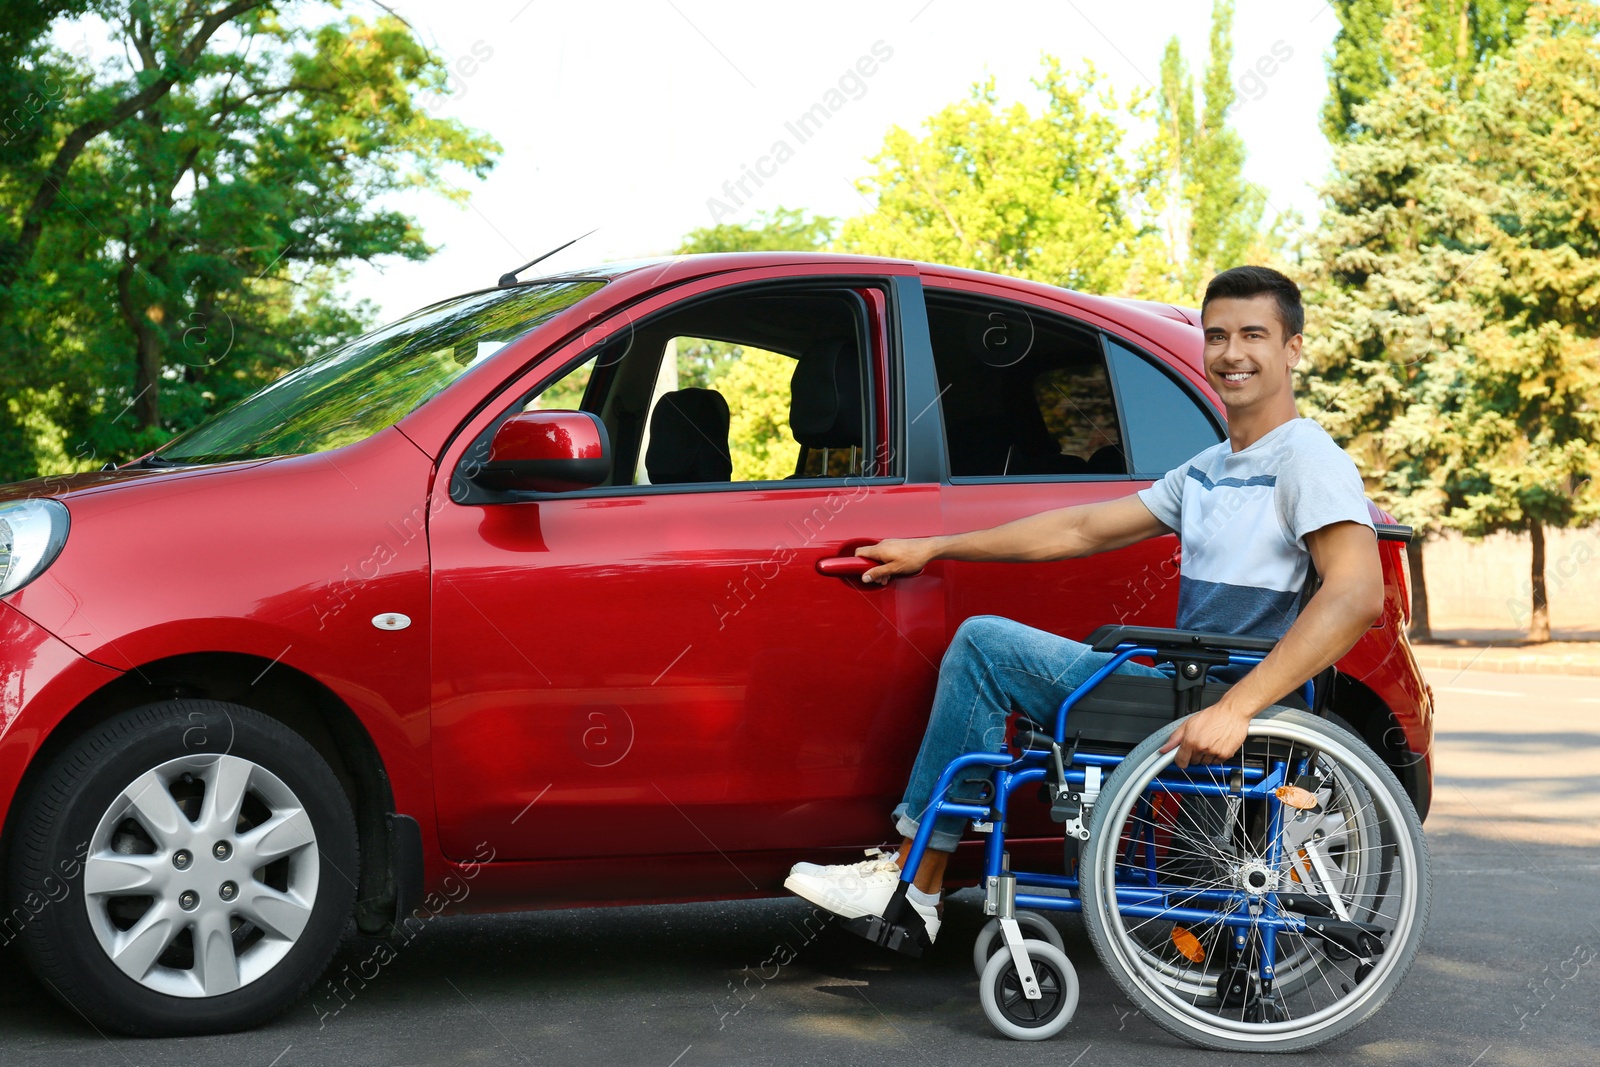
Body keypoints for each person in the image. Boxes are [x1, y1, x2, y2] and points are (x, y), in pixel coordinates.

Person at [783, 265, 1384, 945]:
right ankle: (917, 878)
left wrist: (1238, 705)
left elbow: (1358, 593)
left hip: (1216, 690)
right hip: (1186, 682)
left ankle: (913, 878)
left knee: (984, 646)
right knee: (1006, 653)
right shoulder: (1212, 467)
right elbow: (1080, 529)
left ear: (1292, 349)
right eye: (1216, 336)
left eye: (1254, 334)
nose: (1231, 353)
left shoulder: (1308, 457)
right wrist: (937, 546)